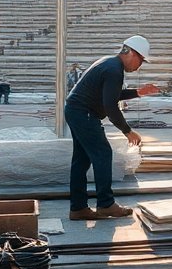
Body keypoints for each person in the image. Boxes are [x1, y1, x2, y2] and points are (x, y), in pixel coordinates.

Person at [64, 36, 161, 220]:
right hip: (84, 113)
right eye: (141, 60)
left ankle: (78, 208)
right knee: (103, 153)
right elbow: (110, 105)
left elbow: (112, 94)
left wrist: (138, 93)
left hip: (76, 111)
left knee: (81, 160)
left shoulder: (110, 64)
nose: (140, 65)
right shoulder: (114, 70)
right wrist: (127, 130)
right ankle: (106, 204)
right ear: (131, 53)